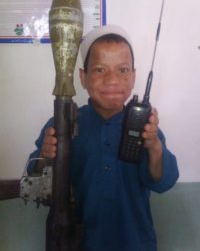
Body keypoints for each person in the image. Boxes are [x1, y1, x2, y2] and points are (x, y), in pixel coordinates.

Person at [29, 25, 179, 251]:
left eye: (123, 70)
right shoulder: (62, 124)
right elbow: (34, 181)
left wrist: (155, 147)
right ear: (83, 77)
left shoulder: (147, 129)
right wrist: (44, 158)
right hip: (78, 243)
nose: (112, 80)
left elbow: (164, 182)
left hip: (135, 243)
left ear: (134, 76)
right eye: (100, 70)